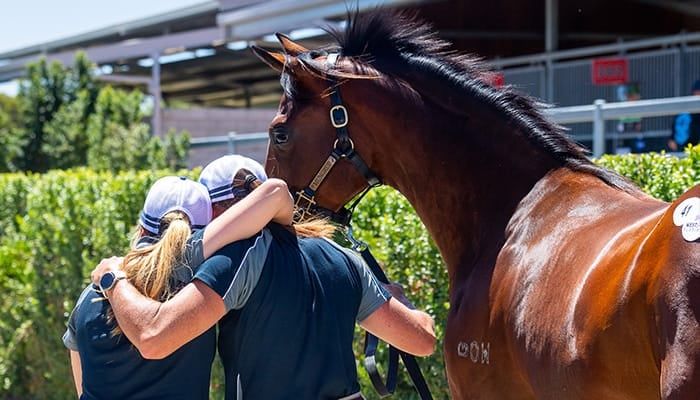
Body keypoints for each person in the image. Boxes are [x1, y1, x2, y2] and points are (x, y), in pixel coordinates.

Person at [91, 155, 436, 400]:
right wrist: (400, 301)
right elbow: (422, 340)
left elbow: (154, 336)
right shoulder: (342, 258)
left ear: (218, 210)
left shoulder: (232, 261)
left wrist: (114, 279)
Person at [63, 175, 293, 400]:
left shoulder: (90, 295)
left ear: (141, 229)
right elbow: (275, 193)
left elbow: (82, 387)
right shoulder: (192, 275)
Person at [668, 79, 700, 151]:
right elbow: (676, 127)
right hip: (683, 147)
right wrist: (671, 139)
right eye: (697, 92)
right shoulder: (686, 111)